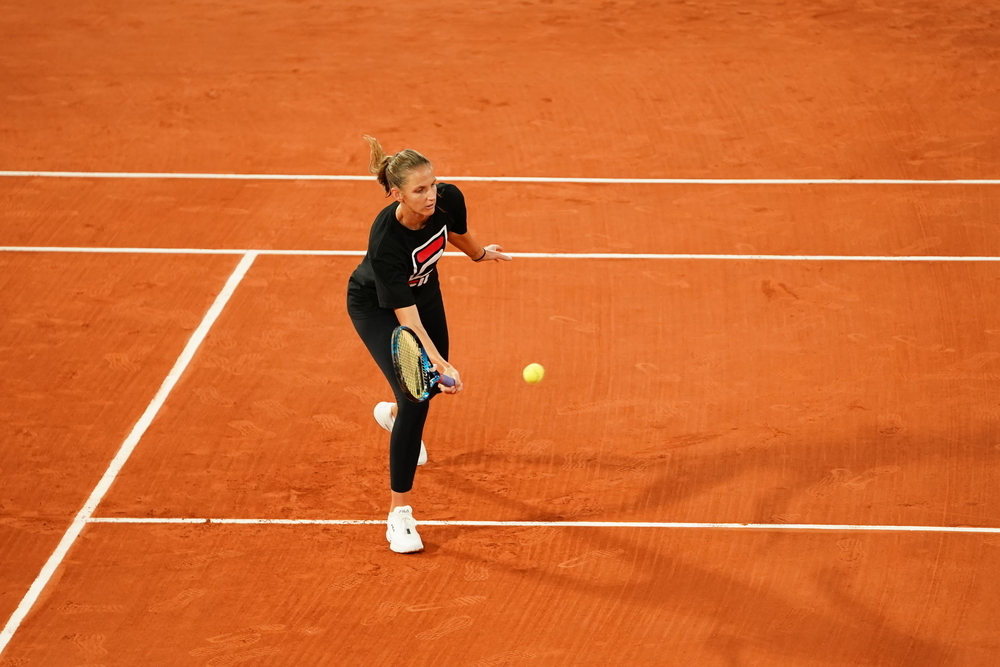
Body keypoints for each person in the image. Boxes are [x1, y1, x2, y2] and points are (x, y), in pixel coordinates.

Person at [347, 136, 511, 553]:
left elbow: (457, 232)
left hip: (424, 295)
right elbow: (407, 322)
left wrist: (480, 254)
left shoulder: (447, 199)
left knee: (422, 389)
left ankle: (392, 414)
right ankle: (398, 515)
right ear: (396, 194)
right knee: (419, 393)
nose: (431, 195)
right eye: (419, 190)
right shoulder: (386, 242)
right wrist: (440, 363)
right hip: (377, 307)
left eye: (433, 185)